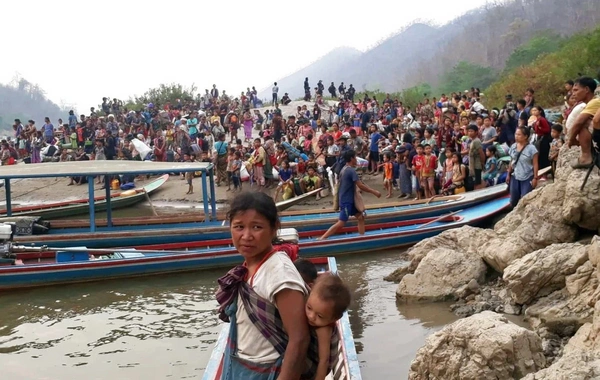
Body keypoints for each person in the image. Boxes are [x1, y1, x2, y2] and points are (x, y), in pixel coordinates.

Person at [215, 192, 316, 379]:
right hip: (241, 366)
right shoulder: (249, 266)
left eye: (256, 227)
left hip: (269, 371)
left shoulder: (280, 273)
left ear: (274, 228)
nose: (246, 236)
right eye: (239, 227)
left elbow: (299, 339)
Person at [319, 150, 381, 240]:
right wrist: (374, 192)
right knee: (341, 223)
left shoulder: (344, 169)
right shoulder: (350, 171)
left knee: (360, 217)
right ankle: (323, 238)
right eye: (355, 158)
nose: (356, 159)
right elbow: (360, 185)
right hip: (346, 201)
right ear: (352, 159)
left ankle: (362, 238)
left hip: (349, 200)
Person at [568, 77, 600, 168]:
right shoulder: (593, 102)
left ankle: (586, 158)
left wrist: (571, 139)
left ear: (586, 89)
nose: (573, 94)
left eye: (576, 90)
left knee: (583, 124)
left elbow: (578, 123)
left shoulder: (595, 102)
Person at [507, 126, 539, 207]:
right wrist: (508, 174)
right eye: (516, 134)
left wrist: (535, 178)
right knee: (513, 200)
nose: (516, 136)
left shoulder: (532, 149)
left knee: (526, 199)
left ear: (525, 136)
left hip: (527, 177)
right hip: (515, 176)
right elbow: (512, 161)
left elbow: (535, 164)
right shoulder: (513, 146)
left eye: (519, 134)